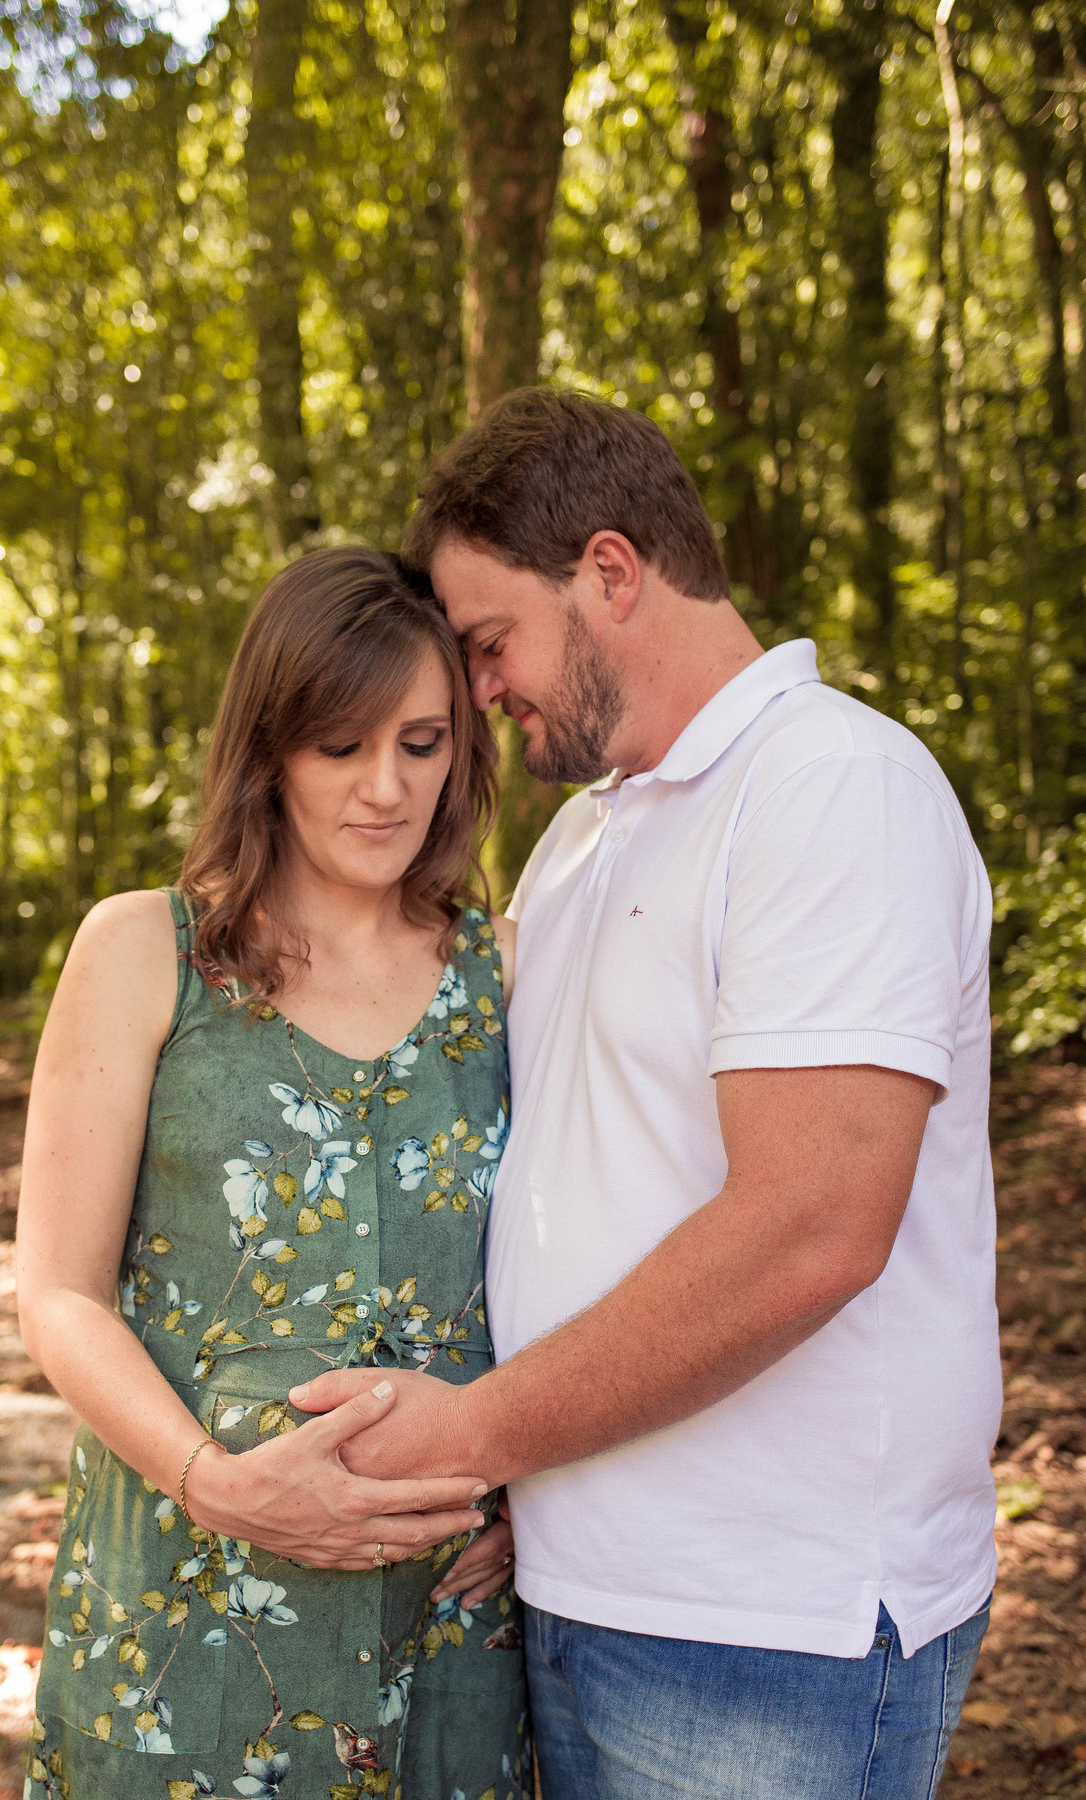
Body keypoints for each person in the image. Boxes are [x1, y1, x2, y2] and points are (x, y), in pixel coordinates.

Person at [289, 390, 1003, 1800]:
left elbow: (812, 1228)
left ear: (610, 572)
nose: (480, 688)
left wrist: (476, 1428)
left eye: (492, 643)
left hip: (767, 1628)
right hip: (574, 1588)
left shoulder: (830, 787)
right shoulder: (579, 848)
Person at [16, 548, 531, 1800]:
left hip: (450, 1640)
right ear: (269, 747)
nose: (385, 787)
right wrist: (218, 1484)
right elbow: (58, 1294)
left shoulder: (513, 970)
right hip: (180, 1618)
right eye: (340, 745)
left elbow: (580, 1273)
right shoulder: (147, 952)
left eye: (421, 743)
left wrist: (546, 1489)